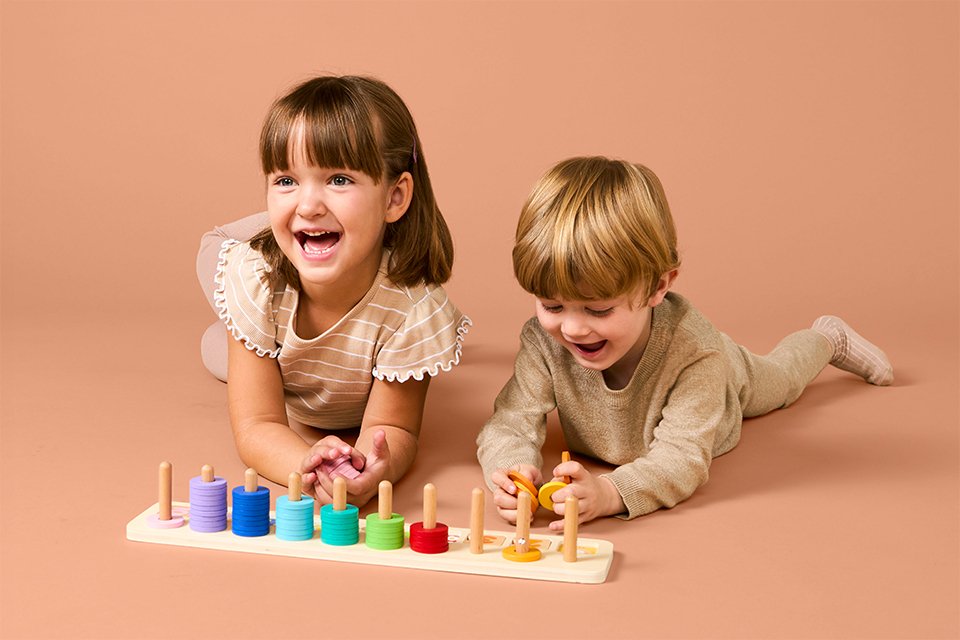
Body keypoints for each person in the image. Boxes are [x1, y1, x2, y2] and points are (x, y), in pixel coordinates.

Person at [476, 156, 892, 530]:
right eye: (551, 305)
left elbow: (681, 459)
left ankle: (827, 337)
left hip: (727, 373)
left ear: (659, 287)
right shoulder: (543, 342)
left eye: (599, 310)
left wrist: (609, 493)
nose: (572, 329)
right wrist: (513, 473)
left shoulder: (697, 353)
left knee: (783, 381)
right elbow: (510, 422)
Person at [196, 76, 470, 507]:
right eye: (285, 180)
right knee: (218, 313)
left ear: (394, 198)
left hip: (305, 328)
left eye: (339, 179)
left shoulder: (415, 311)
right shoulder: (256, 279)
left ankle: (297, 224)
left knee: (298, 236)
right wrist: (304, 464)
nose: (309, 203)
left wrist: (367, 471)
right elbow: (257, 424)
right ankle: (265, 233)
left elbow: (396, 430)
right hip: (266, 290)